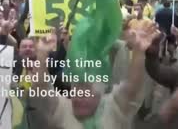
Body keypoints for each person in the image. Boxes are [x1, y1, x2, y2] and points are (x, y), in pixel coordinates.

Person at [27, 23, 159, 129]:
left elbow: (132, 88)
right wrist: (42, 54)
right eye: (77, 90)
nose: (79, 98)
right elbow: (42, 90)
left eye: (87, 92)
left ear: (101, 92)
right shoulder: (61, 108)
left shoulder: (114, 108)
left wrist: (139, 51)